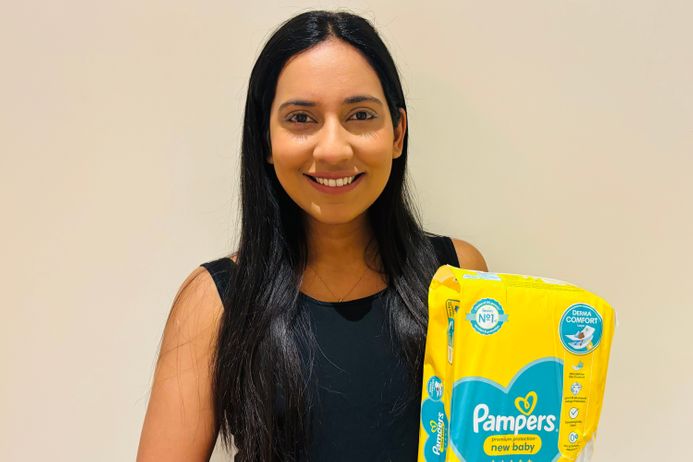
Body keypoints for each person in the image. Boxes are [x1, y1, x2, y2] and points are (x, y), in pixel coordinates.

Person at [137, 9, 488, 462]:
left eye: (360, 115)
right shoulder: (215, 301)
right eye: (301, 119)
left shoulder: (459, 275)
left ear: (398, 133)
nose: (334, 149)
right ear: (265, 139)